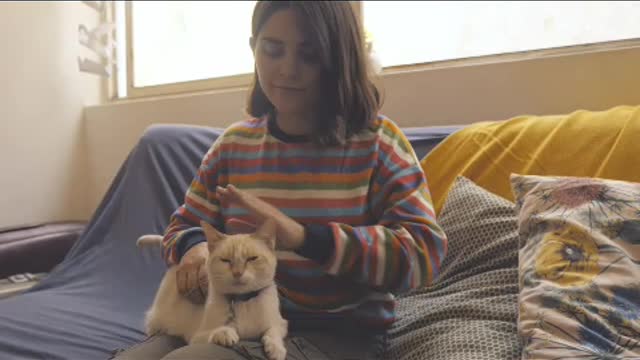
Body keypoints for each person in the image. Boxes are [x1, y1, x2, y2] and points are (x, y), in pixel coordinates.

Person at [111, 1, 447, 359]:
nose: (288, 69)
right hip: (230, 316)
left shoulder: (380, 144)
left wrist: (304, 238)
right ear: (253, 47)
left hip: (337, 333)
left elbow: (424, 254)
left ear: (338, 58)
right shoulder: (232, 145)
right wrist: (192, 249)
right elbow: (183, 226)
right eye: (272, 50)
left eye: (309, 54)